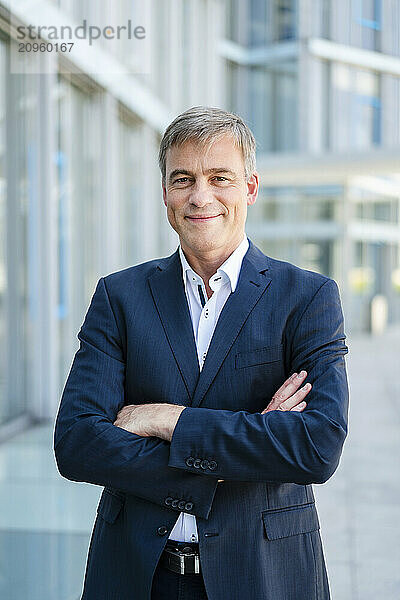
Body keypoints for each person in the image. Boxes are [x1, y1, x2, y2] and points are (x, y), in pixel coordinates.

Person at [54, 106, 349, 600]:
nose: (200, 196)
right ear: (165, 194)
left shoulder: (307, 297)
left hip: (264, 575)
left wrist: (169, 420)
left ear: (250, 188)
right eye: (183, 178)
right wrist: (254, 440)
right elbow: (78, 443)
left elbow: (316, 447)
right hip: (136, 576)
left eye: (220, 178)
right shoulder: (120, 296)